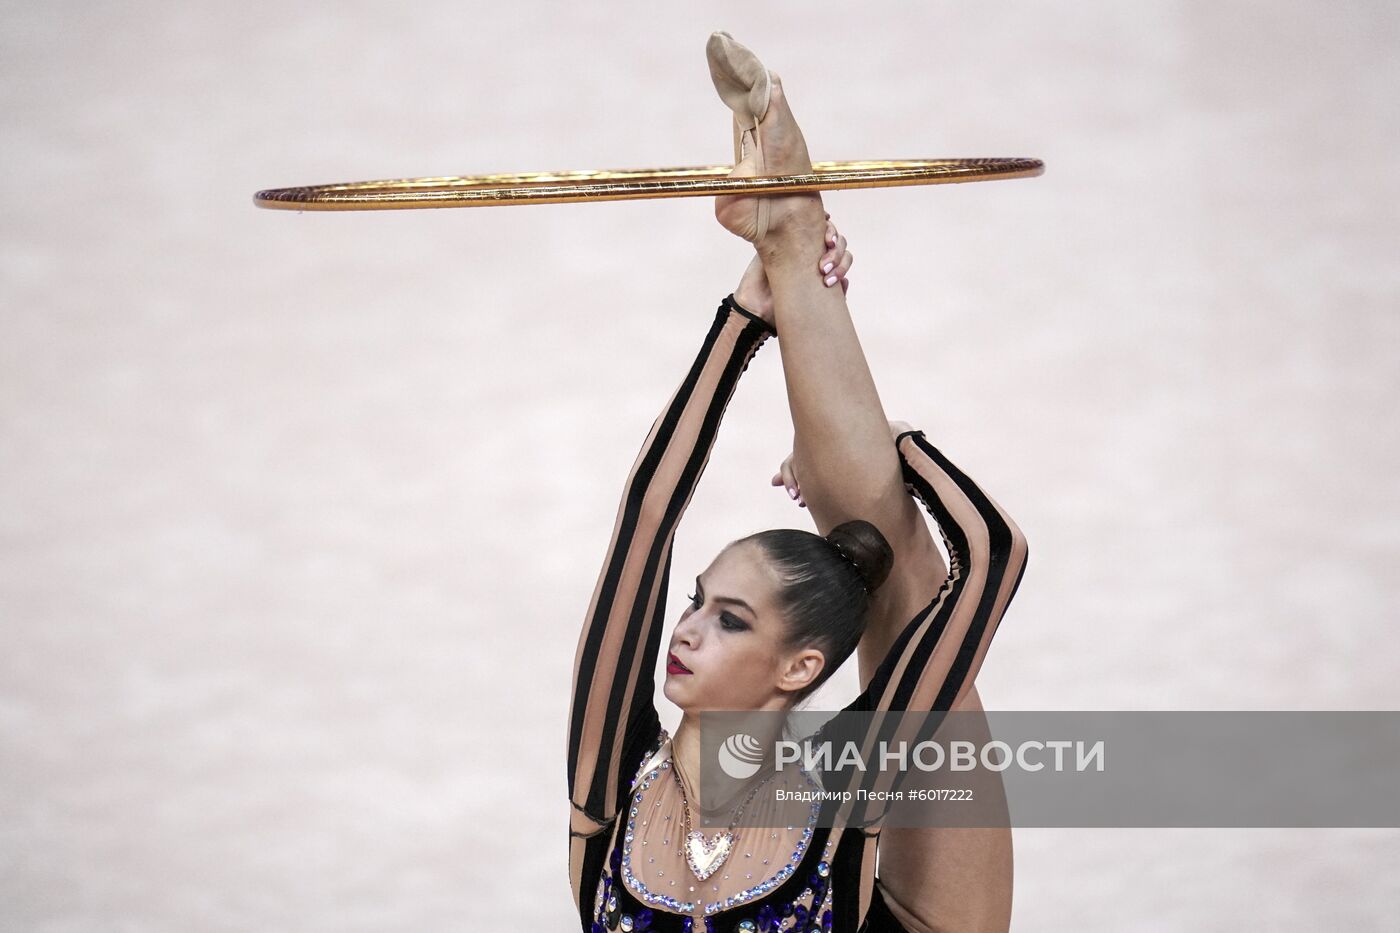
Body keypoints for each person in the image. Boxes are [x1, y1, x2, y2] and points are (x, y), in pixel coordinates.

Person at [567, 34, 1029, 932]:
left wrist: (908, 446)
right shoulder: (610, 782)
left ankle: (792, 234)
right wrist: (744, 312)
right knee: (895, 581)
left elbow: (994, 559)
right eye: (702, 603)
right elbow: (646, 524)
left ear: (801, 666)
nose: (687, 627)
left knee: (905, 588)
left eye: (729, 618)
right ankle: (790, 239)